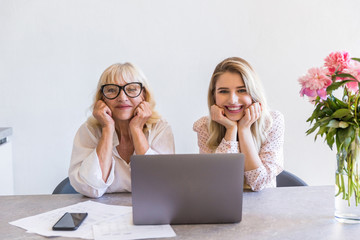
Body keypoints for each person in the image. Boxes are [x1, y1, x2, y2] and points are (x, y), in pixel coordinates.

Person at [69, 62, 175, 198]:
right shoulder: (89, 130)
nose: (122, 97)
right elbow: (90, 188)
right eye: (112, 90)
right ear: (102, 98)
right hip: (101, 213)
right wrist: (107, 129)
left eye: (131, 89)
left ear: (144, 95)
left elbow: (160, 186)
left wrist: (136, 129)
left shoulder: (160, 128)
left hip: (150, 211)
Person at [193, 57, 284, 191]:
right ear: (214, 96)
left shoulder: (272, 122)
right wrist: (231, 130)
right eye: (223, 91)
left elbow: (258, 183)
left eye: (242, 90)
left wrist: (244, 130)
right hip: (221, 208)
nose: (233, 100)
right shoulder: (204, 126)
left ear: (253, 93)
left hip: (263, 208)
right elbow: (216, 184)